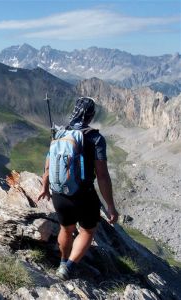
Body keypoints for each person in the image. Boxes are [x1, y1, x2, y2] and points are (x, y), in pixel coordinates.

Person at [37, 97, 119, 280]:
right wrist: (111, 206)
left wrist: (45, 187)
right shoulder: (95, 138)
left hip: (59, 193)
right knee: (87, 231)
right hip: (84, 194)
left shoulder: (59, 133)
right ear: (90, 115)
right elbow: (103, 176)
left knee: (66, 229)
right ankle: (69, 267)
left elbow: (48, 166)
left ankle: (62, 262)